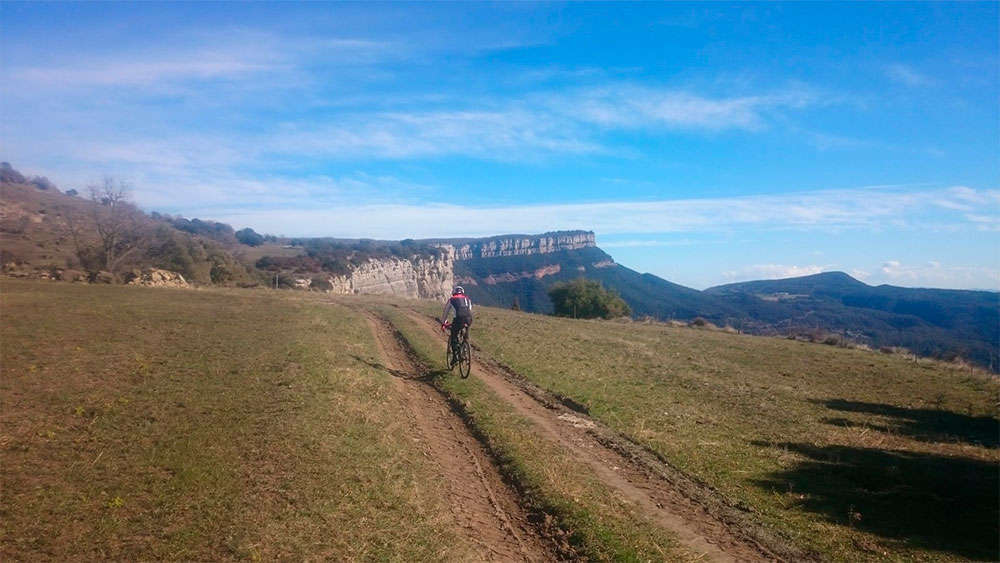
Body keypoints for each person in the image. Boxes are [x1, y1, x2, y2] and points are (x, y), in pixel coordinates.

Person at [440, 286, 473, 353]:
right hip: (468, 319)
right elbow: (469, 310)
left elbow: (446, 312)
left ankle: (455, 356)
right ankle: (465, 344)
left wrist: (443, 323)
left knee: (454, 335)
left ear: (454, 292)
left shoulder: (451, 299)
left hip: (458, 319)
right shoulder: (467, 299)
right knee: (466, 330)